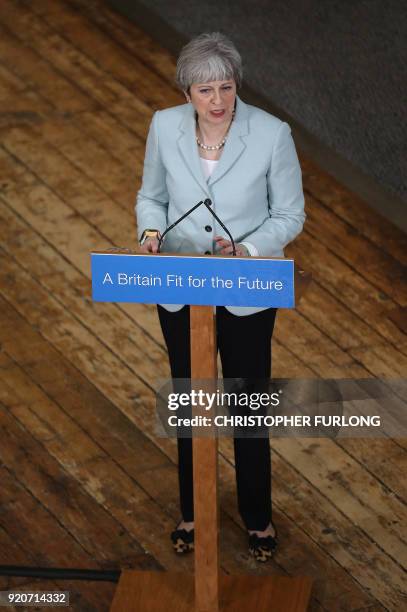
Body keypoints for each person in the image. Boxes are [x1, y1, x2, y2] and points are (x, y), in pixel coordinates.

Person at [136, 32, 305, 562]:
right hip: (180, 284)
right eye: (204, 90)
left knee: (247, 406)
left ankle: (257, 517)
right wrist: (149, 234)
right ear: (186, 91)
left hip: (247, 287)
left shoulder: (273, 134)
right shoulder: (164, 125)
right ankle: (192, 510)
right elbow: (152, 196)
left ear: (237, 86)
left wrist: (249, 247)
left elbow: (290, 215)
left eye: (226, 88)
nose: (217, 101)